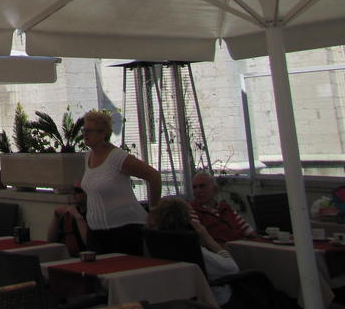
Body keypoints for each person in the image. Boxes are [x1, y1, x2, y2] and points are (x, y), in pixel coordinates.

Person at [79, 109, 160, 255]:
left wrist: (154, 210)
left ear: (103, 133)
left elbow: (154, 176)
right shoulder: (88, 156)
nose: (85, 134)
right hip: (96, 231)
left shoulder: (117, 157)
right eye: (84, 130)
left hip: (124, 229)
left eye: (90, 131)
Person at [150, 196, 239, 305]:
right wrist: (208, 239)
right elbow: (233, 269)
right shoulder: (190, 249)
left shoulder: (157, 243)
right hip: (214, 300)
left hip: (178, 301)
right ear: (188, 220)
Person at [189, 171, 254, 244]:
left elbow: (249, 232)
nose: (198, 191)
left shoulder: (225, 208)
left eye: (202, 186)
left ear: (215, 189)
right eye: (194, 187)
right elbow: (205, 241)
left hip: (243, 246)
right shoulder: (192, 211)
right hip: (223, 251)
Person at [47, 185, 89, 257]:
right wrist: (56, 217)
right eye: (73, 190)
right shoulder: (68, 214)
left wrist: (77, 216)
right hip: (67, 256)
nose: (73, 193)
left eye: (78, 191)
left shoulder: (94, 215)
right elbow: (51, 240)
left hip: (86, 256)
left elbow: (89, 242)